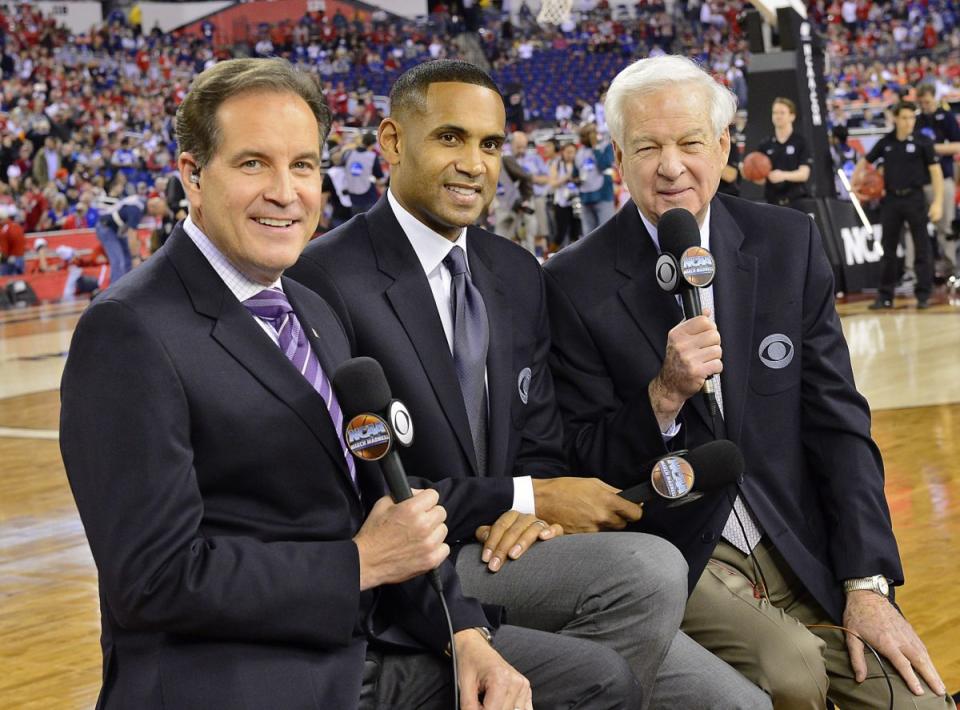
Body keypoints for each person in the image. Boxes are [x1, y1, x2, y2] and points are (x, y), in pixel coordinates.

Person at [59, 58, 637, 710]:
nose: (285, 192)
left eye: (303, 165)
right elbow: (153, 580)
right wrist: (359, 564)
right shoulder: (129, 331)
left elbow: (388, 502)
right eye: (253, 164)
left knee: (598, 680)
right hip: (241, 676)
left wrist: (465, 631)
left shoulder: (309, 309)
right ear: (192, 175)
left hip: (359, 643)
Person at [288, 59, 770, 710]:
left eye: (490, 144)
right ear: (393, 142)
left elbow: (541, 441)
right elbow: (365, 487)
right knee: (648, 572)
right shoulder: (321, 280)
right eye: (450, 137)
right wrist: (522, 496)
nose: (473, 163)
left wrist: (529, 511)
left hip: (515, 552)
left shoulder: (514, 271)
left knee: (741, 706)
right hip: (414, 573)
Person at [543, 55, 954, 710]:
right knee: (791, 673)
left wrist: (868, 582)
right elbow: (586, 463)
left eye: (689, 143)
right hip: (682, 553)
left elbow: (838, 425)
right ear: (619, 156)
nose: (671, 166)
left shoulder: (787, 242)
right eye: (648, 147)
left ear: (726, 146)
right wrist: (664, 395)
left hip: (795, 539)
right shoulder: (572, 281)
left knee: (922, 702)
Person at [854, 100, 943, 310]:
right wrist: (855, 184)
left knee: (922, 248)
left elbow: (936, 172)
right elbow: (864, 161)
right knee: (888, 249)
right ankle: (885, 296)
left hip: (915, 198)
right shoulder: (885, 142)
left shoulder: (923, 142)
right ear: (895, 118)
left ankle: (923, 294)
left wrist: (938, 202)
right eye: (904, 117)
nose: (908, 122)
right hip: (891, 200)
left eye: (912, 117)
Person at [915, 84, 960, 275]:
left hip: (943, 177)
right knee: (918, 228)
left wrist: (932, 149)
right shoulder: (916, 120)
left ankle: (952, 268)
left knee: (946, 226)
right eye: (921, 102)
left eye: (927, 101)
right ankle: (922, 270)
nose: (924, 105)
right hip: (920, 180)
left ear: (934, 97)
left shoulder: (946, 117)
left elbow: (958, 145)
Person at [753, 97, 812, 208]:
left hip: (797, 200)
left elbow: (804, 174)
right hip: (772, 202)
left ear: (792, 116)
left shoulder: (800, 142)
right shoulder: (765, 144)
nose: (778, 116)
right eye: (775, 112)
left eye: (782, 113)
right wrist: (752, 173)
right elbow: (761, 180)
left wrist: (783, 175)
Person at [95, 192, 145, 284]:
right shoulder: (136, 209)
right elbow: (132, 235)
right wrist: (135, 257)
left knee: (127, 259)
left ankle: (126, 287)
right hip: (106, 227)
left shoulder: (135, 204)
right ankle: (115, 293)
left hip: (117, 229)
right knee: (118, 261)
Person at [575, 122, 616, 234]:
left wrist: (595, 147)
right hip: (585, 197)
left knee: (607, 233)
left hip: (603, 195)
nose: (585, 138)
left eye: (589, 134)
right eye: (584, 135)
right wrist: (576, 180)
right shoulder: (579, 152)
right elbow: (575, 173)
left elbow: (604, 164)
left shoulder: (605, 146)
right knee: (588, 236)